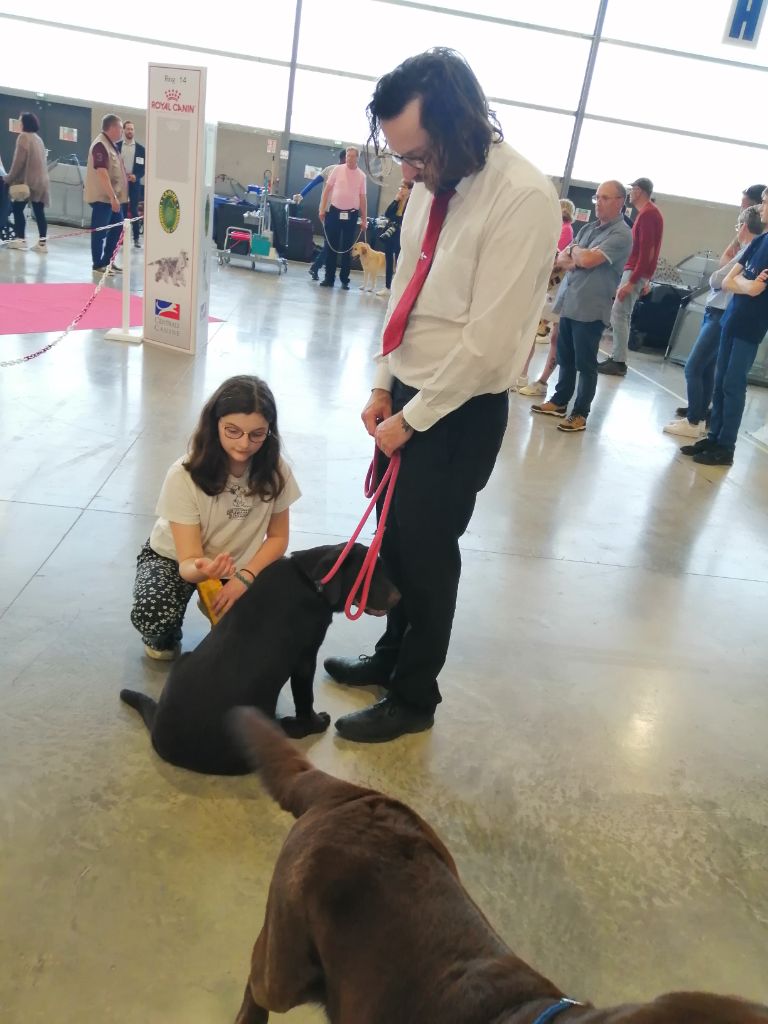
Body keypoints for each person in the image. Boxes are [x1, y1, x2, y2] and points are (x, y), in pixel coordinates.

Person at [323, 48, 560, 743]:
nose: (411, 172)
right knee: (396, 544)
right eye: (402, 157)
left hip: (457, 412)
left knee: (427, 555)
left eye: (419, 154)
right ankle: (390, 657)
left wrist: (412, 419)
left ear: (462, 124)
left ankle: (414, 696)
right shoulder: (433, 183)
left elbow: (489, 343)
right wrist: (380, 382)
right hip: (408, 390)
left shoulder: (523, 198)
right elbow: (406, 289)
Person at [130, 376, 300, 660]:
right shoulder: (183, 474)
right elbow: (186, 563)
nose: (245, 443)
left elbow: (279, 537)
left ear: (270, 430)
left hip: (238, 564)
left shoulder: (276, 470)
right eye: (232, 431)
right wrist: (205, 572)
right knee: (154, 612)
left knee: (275, 621)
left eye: (257, 434)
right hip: (179, 559)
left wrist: (244, 578)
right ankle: (164, 634)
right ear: (215, 424)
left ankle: (222, 613)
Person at [531, 181, 632, 432]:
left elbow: (585, 260)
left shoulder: (621, 234)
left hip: (591, 308)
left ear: (620, 201)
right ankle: (560, 400)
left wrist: (576, 251)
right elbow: (563, 258)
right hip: (570, 302)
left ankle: (580, 413)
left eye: (606, 198)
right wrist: (577, 253)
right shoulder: (588, 229)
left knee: (585, 363)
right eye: (597, 198)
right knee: (565, 356)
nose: (599, 203)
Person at [680, 187, 768, 467]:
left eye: (765, 202)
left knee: (733, 384)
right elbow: (727, 279)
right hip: (731, 319)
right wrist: (747, 284)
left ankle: (726, 446)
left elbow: (754, 290)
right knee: (719, 383)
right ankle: (714, 436)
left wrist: (744, 285)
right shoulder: (760, 240)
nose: (761, 207)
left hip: (750, 326)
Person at [663, 204, 764, 438]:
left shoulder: (751, 249)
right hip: (717, 312)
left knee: (695, 367)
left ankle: (695, 420)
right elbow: (724, 272)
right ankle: (698, 417)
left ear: (744, 227)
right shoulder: (748, 249)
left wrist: (736, 281)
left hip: (721, 314)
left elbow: (717, 279)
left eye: (738, 226)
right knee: (708, 370)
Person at [598, 177, 664, 377]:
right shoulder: (647, 213)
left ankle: (619, 360)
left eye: (632, 189)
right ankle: (617, 358)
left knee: (619, 313)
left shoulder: (648, 214)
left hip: (634, 270)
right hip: (636, 270)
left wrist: (635, 280)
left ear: (639, 191)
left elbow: (647, 251)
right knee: (620, 314)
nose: (630, 193)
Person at [512, 198, 575, 397]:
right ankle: (521, 375)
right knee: (531, 332)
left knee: (553, 336)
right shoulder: (544, 228)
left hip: (558, 287)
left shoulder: (563, 229)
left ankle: (540, 381)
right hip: (547, 287)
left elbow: (562, 260)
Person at [318, 146, 368, 289]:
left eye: (352, 156)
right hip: (333, 212)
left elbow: (363, 198)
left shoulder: (361, 176)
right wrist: (322, 209)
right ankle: (329, 278)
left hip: (351, 215)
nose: (349, 159)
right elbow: (327, 190)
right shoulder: (337, 170)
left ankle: (344, 279)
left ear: (357, 158)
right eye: (348, 156)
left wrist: (364, 219)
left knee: (347, 249)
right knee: (331, 247)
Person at [292, 149, 345, 281]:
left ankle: (320, 269)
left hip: (335, 212)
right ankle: (316, 267)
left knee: (331, 243)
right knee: (330, 244)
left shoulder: (332, 170)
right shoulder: (332, 170)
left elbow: (313, 183)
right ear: (344, 159)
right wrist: (301, 195)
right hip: (328, 211)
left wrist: (302, 194)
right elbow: (314, 182)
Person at [85, 113, 127, 274]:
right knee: (100, 231)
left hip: (112, 199)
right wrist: (112, 197)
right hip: (104, 199)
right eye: (121, 128)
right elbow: (102, 172)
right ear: (113, 128)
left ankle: (108, 260)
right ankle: (98, 264)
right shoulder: (100, 145)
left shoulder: (111, 145)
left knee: (118, 227)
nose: (122, 132)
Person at [4, 112, 50, 253]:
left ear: (25, 123)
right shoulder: (38, 139)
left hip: (29, 181)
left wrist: (8, 178)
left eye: (20, 122)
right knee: (39, 212)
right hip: (42, 181)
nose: (19, 124)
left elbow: (19, 162)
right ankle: (42, 244)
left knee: (17, 208)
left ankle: (20, 239)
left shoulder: (23, 137)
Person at [376, 180, 413, 297]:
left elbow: (406, 219)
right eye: (400, 187)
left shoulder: (412, 202)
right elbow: (388, 214)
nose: (401, 189)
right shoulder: (398, 201)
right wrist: (396, 200)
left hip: (402, 234)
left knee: (399, 261)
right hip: (391, 232)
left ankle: (398, 287)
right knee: (389, 260)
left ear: (410, 190)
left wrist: (397, 221)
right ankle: (387, 287)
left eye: (404, 187)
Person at [116, 120, 145, 247]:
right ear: (123, 130)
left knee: (134, 210)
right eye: (128, 129)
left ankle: (136, 238)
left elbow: (143, 169)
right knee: (120, 210)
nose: (130, 131)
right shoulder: (116, 146)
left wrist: (136, 176)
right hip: (120, 183)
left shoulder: (140, 149)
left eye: (132, 129)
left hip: (134, 184)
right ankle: (119, 238)